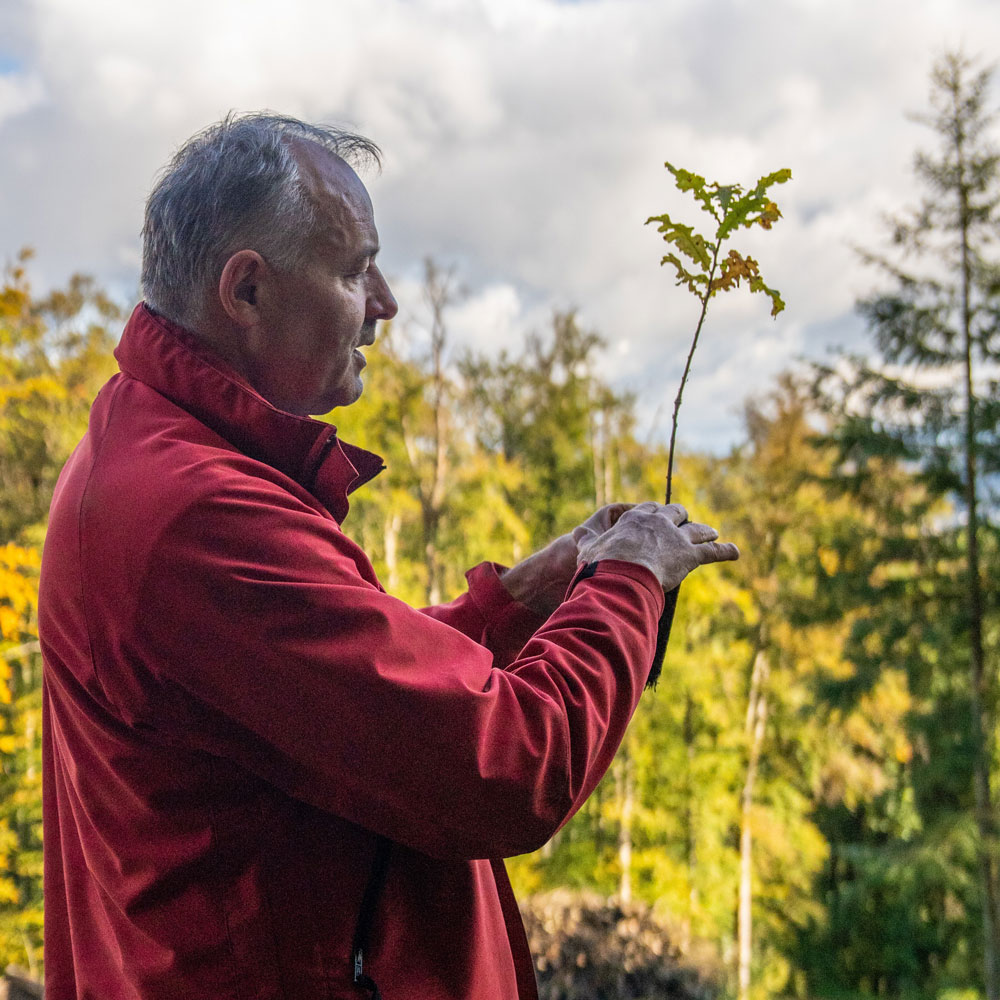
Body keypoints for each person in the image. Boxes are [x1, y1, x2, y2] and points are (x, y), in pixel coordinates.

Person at [39, 113, 739, 1000]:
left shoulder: (154, 451)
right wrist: (631, 579)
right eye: (351, 268)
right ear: (246, 291)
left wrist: (519, 602)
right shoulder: (198, 515)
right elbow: (507, 767)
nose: (384, 301)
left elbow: (350, 696)